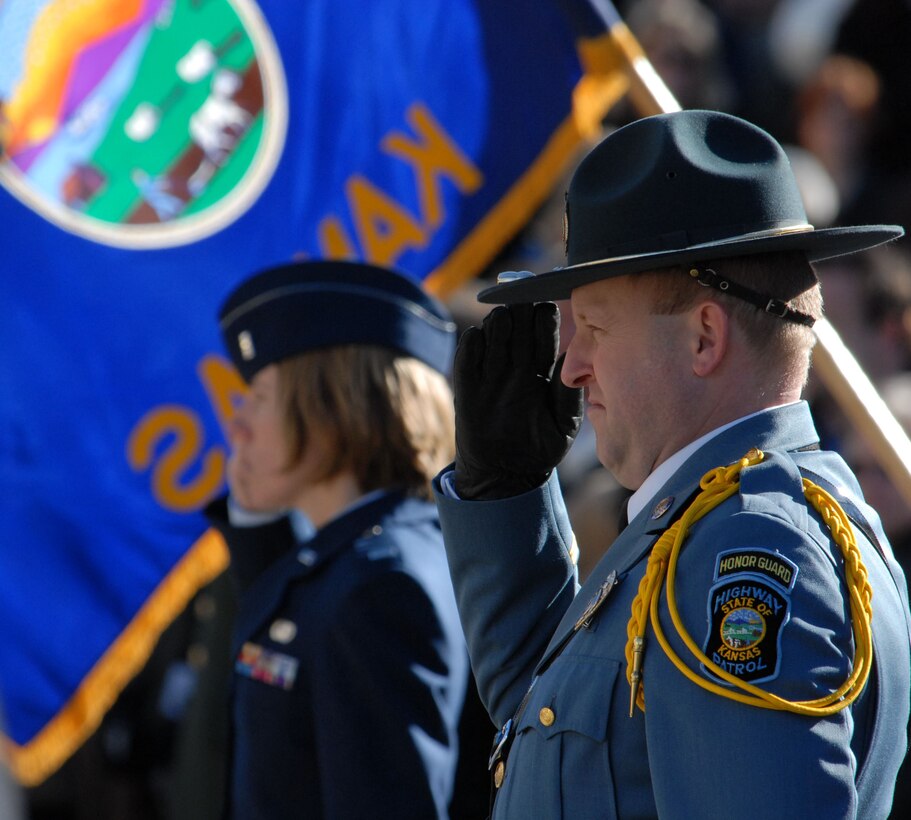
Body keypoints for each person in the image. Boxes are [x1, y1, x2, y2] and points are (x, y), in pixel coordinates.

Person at [433, 109, 911, 819]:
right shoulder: (718, 530)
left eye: (593, 327)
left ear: (702, 338)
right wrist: (506, 495)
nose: (570, 367)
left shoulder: (746, 550)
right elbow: (555, 730)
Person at [205, 259, 472, 818]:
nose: (237, 427)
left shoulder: (381, 587)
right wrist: (254, 522)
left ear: (332, 405)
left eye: (258, 397)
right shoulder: (373, 555)